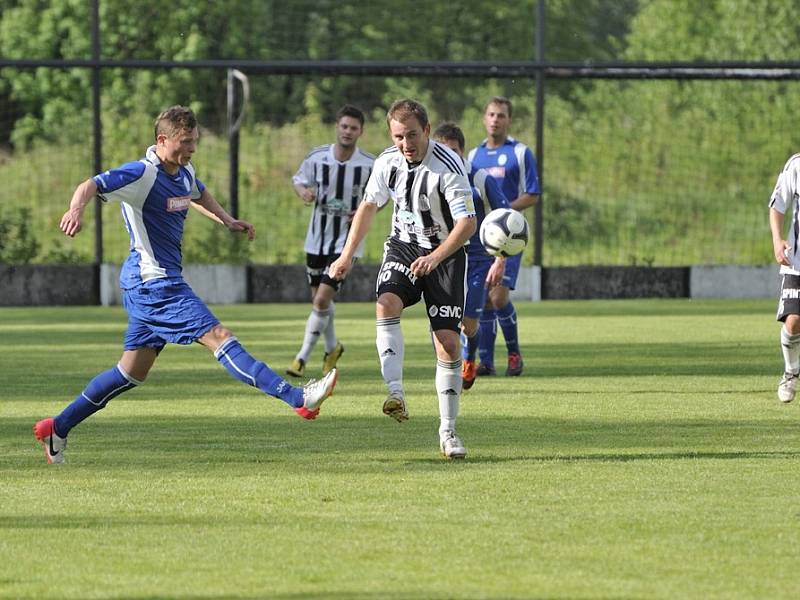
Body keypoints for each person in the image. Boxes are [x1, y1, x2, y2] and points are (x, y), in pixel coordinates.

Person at [33, 105, 337, 464]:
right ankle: (297, 398)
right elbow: (91, 185)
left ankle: (58, 428)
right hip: (154, 284)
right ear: (163, 140)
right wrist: (75, 210)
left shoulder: (183, 170)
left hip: (153, 284)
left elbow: (197, 193)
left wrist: (227, 220)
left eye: (194, 141)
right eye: (185, 142)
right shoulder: (141, 174)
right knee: (220, 337)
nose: (192, 148)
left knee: (130, 373)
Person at [329, 99, 476, 459]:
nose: (406, 143)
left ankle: (448, 431)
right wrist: (347, 255)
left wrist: (436, 257)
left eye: (412, 134)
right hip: (404, 248)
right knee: (386, 303)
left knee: (448, 344)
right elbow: (368, 206)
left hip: (445, 255)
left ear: (426, 130)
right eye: (398, 136)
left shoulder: (448, 166)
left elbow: (467, 223)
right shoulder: (387, 163)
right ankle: (395, 392)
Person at [286, 105, 375, 379]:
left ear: (361, 131)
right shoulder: (317, 158)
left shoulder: (369, 165)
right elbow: (298, 180)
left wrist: (361, 212)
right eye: (344, 126)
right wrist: (303, 193)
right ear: (337, 127)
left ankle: (301, 358)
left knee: (322, 299)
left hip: (346, 245)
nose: (348, 132)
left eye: (354, 128)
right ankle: (332, 348)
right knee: (320, 303)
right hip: (316, 240)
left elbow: (379, 199)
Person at [432, 122, 510, 391]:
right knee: (442, 321)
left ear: (462, 152)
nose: (448, 156)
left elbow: (505, 219)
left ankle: (469, 357)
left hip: (477, 260)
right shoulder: (432, 177)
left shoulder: (481, 179)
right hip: (444, 259)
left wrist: (500, 259)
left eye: (453, 151)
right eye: (443, 151)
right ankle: (447, 369)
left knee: (467, 324)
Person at [467, 96, 540, 377]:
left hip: (509, 235)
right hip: (480, 236)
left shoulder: (520, 153)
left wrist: (504, 214)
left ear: (509, 120)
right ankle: (485, 361)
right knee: (483, 297)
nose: (496, 119)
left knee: (498, 298)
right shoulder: (474, 156)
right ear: (485, 119)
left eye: (501, 115)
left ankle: (513, 353)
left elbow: (532, 193)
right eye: (491, 115)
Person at [769, 152, 800, 403]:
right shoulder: (796, 164)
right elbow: (777, 204)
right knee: (793, 322)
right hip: (796, 263)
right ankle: (790, 372)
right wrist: (778, 240)